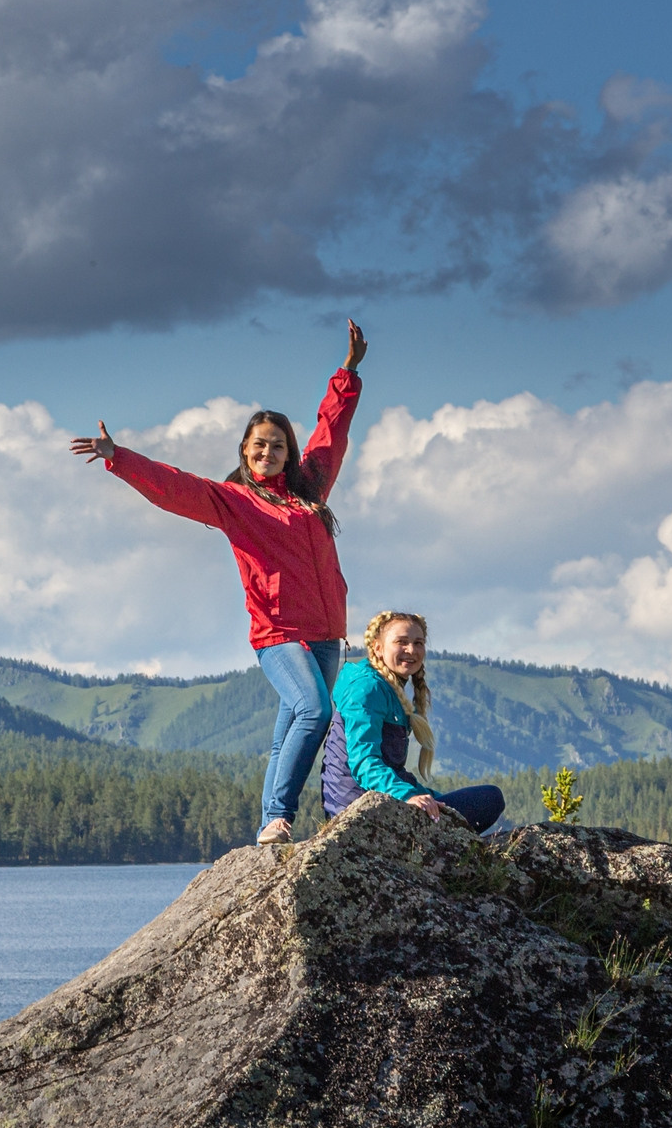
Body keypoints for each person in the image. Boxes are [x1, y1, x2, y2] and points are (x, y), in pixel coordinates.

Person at [70, 320, 367, 845]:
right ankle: (279, 817)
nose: (267, 453)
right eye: (258, 446)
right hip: (278, 633)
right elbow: (173, 488)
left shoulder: (311, 489)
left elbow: (331, 432)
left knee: (289, 731)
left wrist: (347, 372)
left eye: (276, 446)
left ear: (288, 452)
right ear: (243, 450)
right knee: (314, 709)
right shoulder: (233, 501)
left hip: (326, 632)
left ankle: (266, 825)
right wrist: (120, 458)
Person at [322, 610, 505, 833]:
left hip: (370, 801)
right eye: (401, 642)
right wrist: (408, 795)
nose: (411, 650)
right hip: (357, 808)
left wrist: (428, 797)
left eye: (418, 643)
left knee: (470, 801)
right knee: (489, 798)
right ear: (377, 648)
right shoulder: (366, 688)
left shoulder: (385, 687)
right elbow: (364, 763)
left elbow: (391, 768)